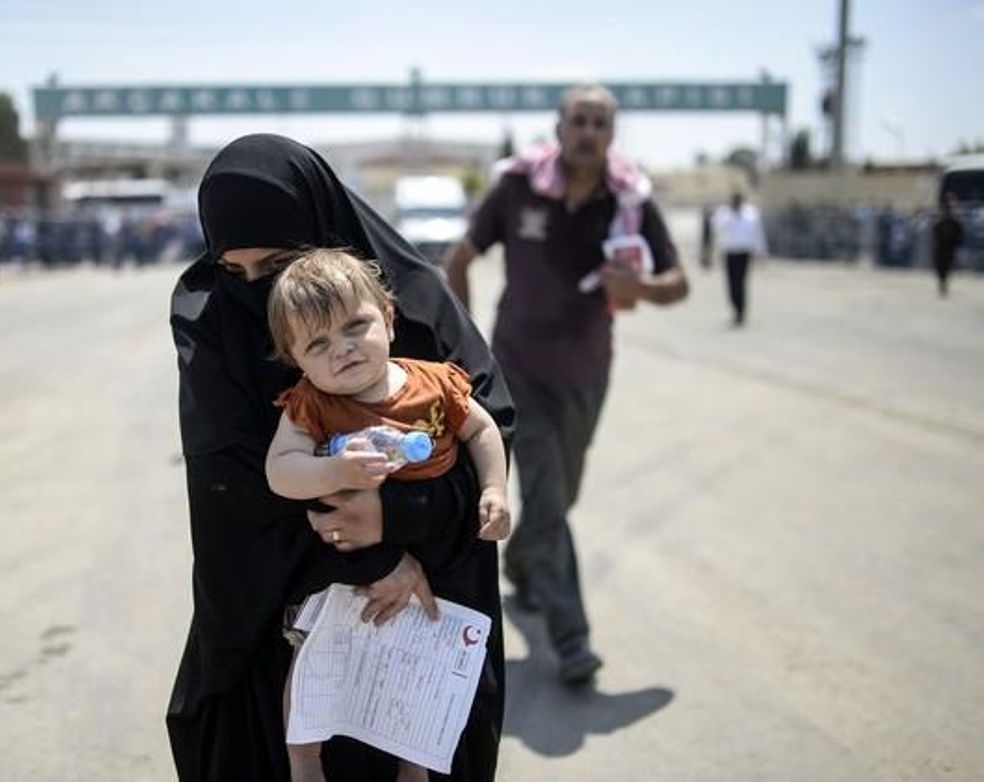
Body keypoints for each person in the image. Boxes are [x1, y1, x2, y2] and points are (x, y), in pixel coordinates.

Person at [167, 134, 514, 781]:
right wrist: (374, 555)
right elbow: (234, 493)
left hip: (426, 614)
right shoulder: (212, 322)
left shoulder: (412, 305)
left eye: (276, 265)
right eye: (234, 272)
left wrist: (400, 517)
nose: (256, 294)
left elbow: (489, 429)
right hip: (282, 626)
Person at [444, 84, 688, 685]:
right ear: (559, 128)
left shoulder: (629, 199)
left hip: (587, 373)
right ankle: (571, 638)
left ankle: (526, 566)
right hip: (518, 368)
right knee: (550, 495)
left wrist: (645, 291)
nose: (588, 131)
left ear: (611, 134)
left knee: (561, 496)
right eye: (579, 120)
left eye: (600, 123)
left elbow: (677, 281)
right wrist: (467, 348)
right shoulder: (518, 187)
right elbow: (459, 259)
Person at [265, 248, 511, 782]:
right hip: (354, 566)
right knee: (314, 658)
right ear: (296, 360)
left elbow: (483, 430)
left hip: (438, 562)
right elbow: (280, 470)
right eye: (318, 343)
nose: (343, 350)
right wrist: (332, 474)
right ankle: (304, 760)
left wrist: (494, 488)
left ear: (390, 319)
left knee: (422, 669)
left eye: (356, 326)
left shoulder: (436, 382)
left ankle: (415, 766)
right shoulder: (312, 405)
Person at [711, 190, 767, 325]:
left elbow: (758, 234)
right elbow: (715, 231)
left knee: (741, 283)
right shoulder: (723, 214)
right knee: (732, 283)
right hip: (730, 252)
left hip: (744, 252)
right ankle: (735, 308)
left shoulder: (751, 214)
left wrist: (761, 252)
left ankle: (741, 312)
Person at [931, 193, 964, 298]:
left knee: (946, 267)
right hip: (942, 247)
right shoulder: (940, 220)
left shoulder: (955, 221)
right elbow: (934, 233)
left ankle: (943, 282)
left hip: (949, 247)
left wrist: (957, 244)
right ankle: (942, 282)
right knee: (941, 267)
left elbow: (959, 234)